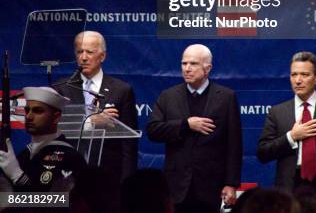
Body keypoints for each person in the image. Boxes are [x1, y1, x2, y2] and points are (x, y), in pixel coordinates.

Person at [146, 44, 242, 212]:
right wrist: (186, 124)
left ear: (207, 68)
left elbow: (234, 145)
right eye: (184, 64)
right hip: (176, 186)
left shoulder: (226, 97)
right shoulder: (168, 96)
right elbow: (153, 130)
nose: (187, 69)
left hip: (211, 186)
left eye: (193, 64)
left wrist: (231, 183)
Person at [257, 51, 316, 192]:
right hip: (289, 188)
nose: (298, 80)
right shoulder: (277, 112)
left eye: (304, 75)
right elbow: (263, 153)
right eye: (294, 75)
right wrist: (291, 137)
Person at [53, 30, 138, 182]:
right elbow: (56, 131)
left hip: (109, 174)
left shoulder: (121, 90)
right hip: (68, 172)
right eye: (79, 52)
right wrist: (91, 122)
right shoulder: (61, 88)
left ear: (102, 56)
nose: (83, 57)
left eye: (90, 52)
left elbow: (128, 145)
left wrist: (127, 181)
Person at [0, 86, 86, 191]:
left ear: (56, 117)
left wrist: (18, 177)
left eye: (37, 111)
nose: (29, 116)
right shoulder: (24, 155)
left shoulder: (70, 158)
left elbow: (56, 203)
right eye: (27, 110)